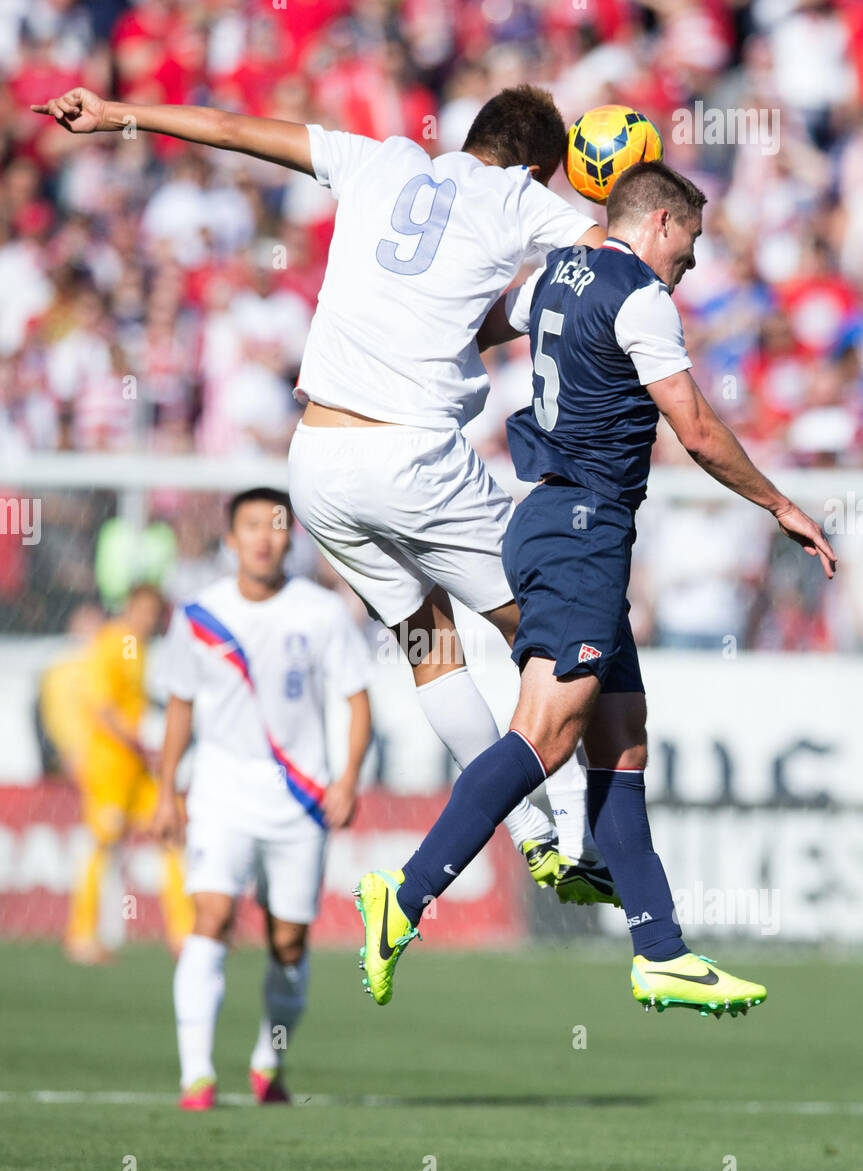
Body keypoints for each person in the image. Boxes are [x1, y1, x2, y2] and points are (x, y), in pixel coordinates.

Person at [31, 80, 617, 909]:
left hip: (319, 461)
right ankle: (574, 828)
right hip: (412, 456)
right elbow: (604, 263)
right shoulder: (519, 196)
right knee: (560, 628)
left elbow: (230, 126)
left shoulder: (377, 159)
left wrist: (119, 116)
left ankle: (530, 837)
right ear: (538, 165)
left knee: (427, 642)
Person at [354, 162, 837, 1015]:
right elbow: (693, 426)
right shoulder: (640, 294)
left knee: (621, 736)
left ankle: (661, 951)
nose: (689, 260)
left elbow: (477, 330)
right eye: (687, 241)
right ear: (656, 223)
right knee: (544, 734)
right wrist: (779, 502)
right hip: (583, 528)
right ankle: (407, 892)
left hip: (551, 519)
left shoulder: (550, 275)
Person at [153, 488, 372, 1109]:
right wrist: (167, 790)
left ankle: (267, 1062)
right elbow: (179, 705)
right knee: (212, 918)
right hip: (222, 791)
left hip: (300, 800)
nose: (263, 537)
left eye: (276, 526)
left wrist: (348, 777)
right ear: (230, 538)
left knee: (289, 943)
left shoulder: (323, 611)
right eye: (250, 525)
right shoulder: (198, 614)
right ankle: (196, 1074)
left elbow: (358, 700)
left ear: (290, 538)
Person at [66, 584, 193, 964]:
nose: (150, 618)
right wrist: (138, 740)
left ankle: (184, 933)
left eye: (156, 612)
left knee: (170, 833)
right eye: (145, 609)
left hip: (138, 767)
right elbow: (100, 707)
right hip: (110, 766)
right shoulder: (112, 643)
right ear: (131, 606)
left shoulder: (139, 648)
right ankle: (81, 935)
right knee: (102, 842)